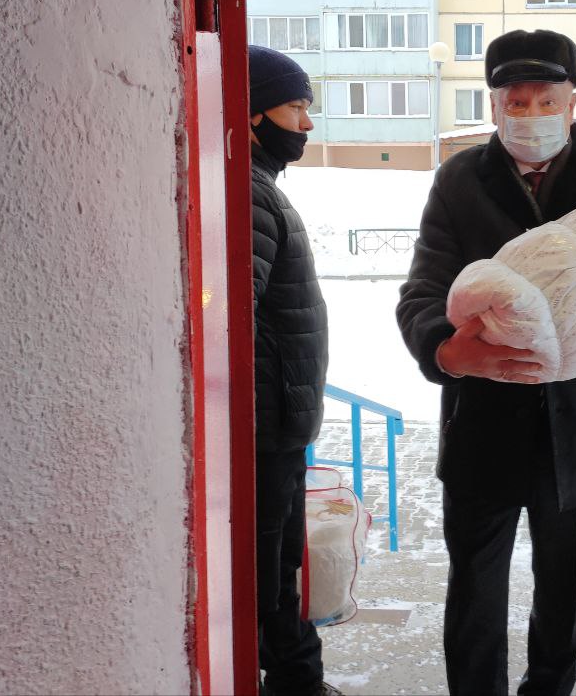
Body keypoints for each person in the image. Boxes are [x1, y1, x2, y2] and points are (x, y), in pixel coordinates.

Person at [396, 29, 576, 696]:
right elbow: (423, 289)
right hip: (483, 424)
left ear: (573, 101)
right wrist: (445, 350)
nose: (532, 115)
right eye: (516, 101)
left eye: (547, 100)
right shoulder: (460, 181)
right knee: (474, 596)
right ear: (494, 105)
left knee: (565, 601)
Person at [247, 45, 340, 696]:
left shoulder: (258, 188)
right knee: (269, 571)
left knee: (278, 565)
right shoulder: (250, 194)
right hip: (265, 428)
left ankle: (296, 680)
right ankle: (296, 683)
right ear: (253, 112)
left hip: (277, 423)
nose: (306, 124)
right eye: (295, 107)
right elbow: (230, 320)